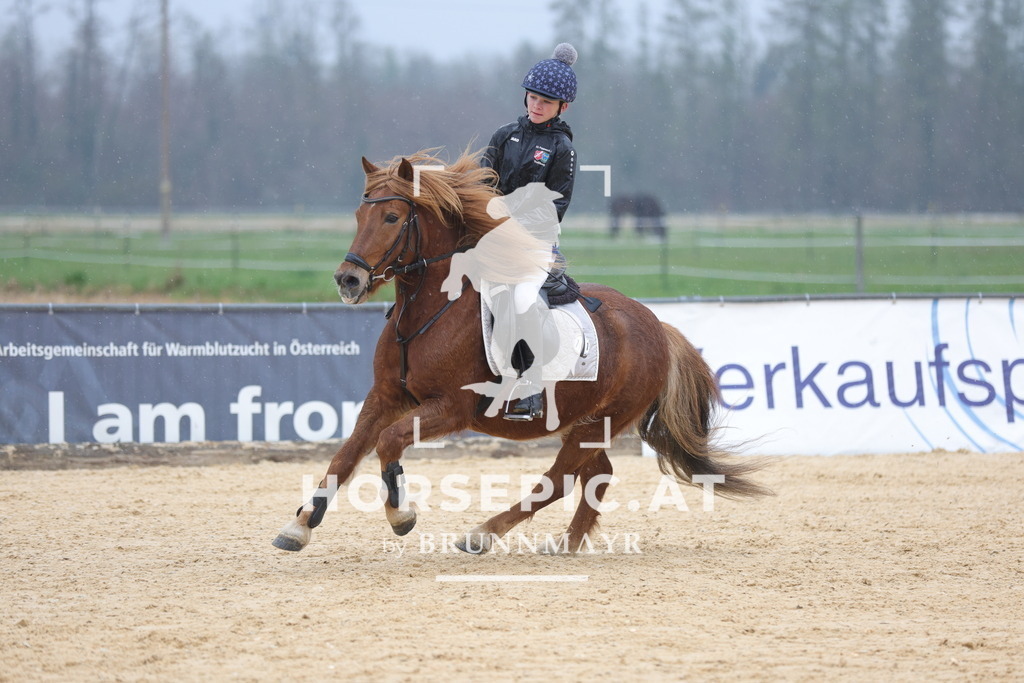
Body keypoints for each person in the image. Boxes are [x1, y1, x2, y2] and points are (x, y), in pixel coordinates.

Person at [481, 43, 579, 421]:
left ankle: (530, 386)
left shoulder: (562, 148)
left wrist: (512, 222)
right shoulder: (504, 135)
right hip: (488, 236)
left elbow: (556, 205)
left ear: (562, 107)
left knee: (521, 297)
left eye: (546, 101)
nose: (536, 106)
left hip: (533, 244)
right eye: (533, 97)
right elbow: (482, 184)